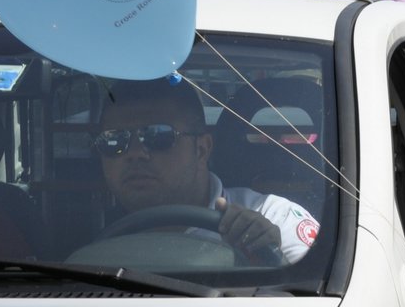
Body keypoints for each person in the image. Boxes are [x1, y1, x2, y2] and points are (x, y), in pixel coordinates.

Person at [94, 77, 318, 265]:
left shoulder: (274, 217)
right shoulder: (79, 240)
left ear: (202, 149)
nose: (134, 153)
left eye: (157, 136)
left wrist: (272, 260)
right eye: (114, 140)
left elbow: (319, 303)